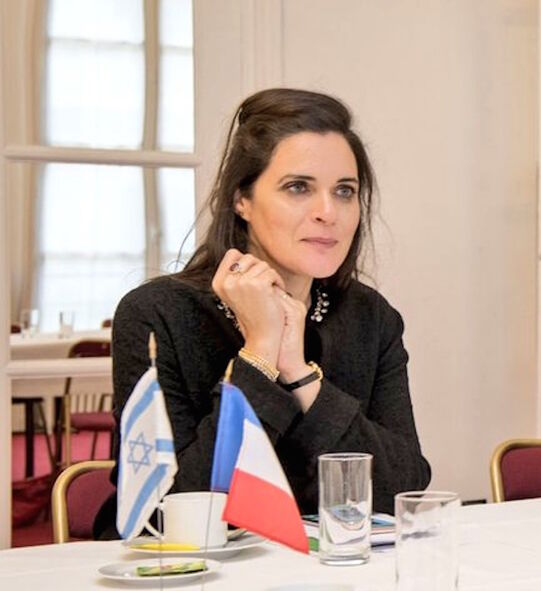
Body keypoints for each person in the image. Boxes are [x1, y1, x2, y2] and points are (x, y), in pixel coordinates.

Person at [95, 88, 431, 538]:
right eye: (298, 187)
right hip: (191, 570)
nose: (328, 212)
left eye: (344, 191)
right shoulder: (158, 313)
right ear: (242, 200)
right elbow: (171, 510)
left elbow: (404, 488)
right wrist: (259, 353)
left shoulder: (372, 318)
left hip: (328, 566)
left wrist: (300, 375)